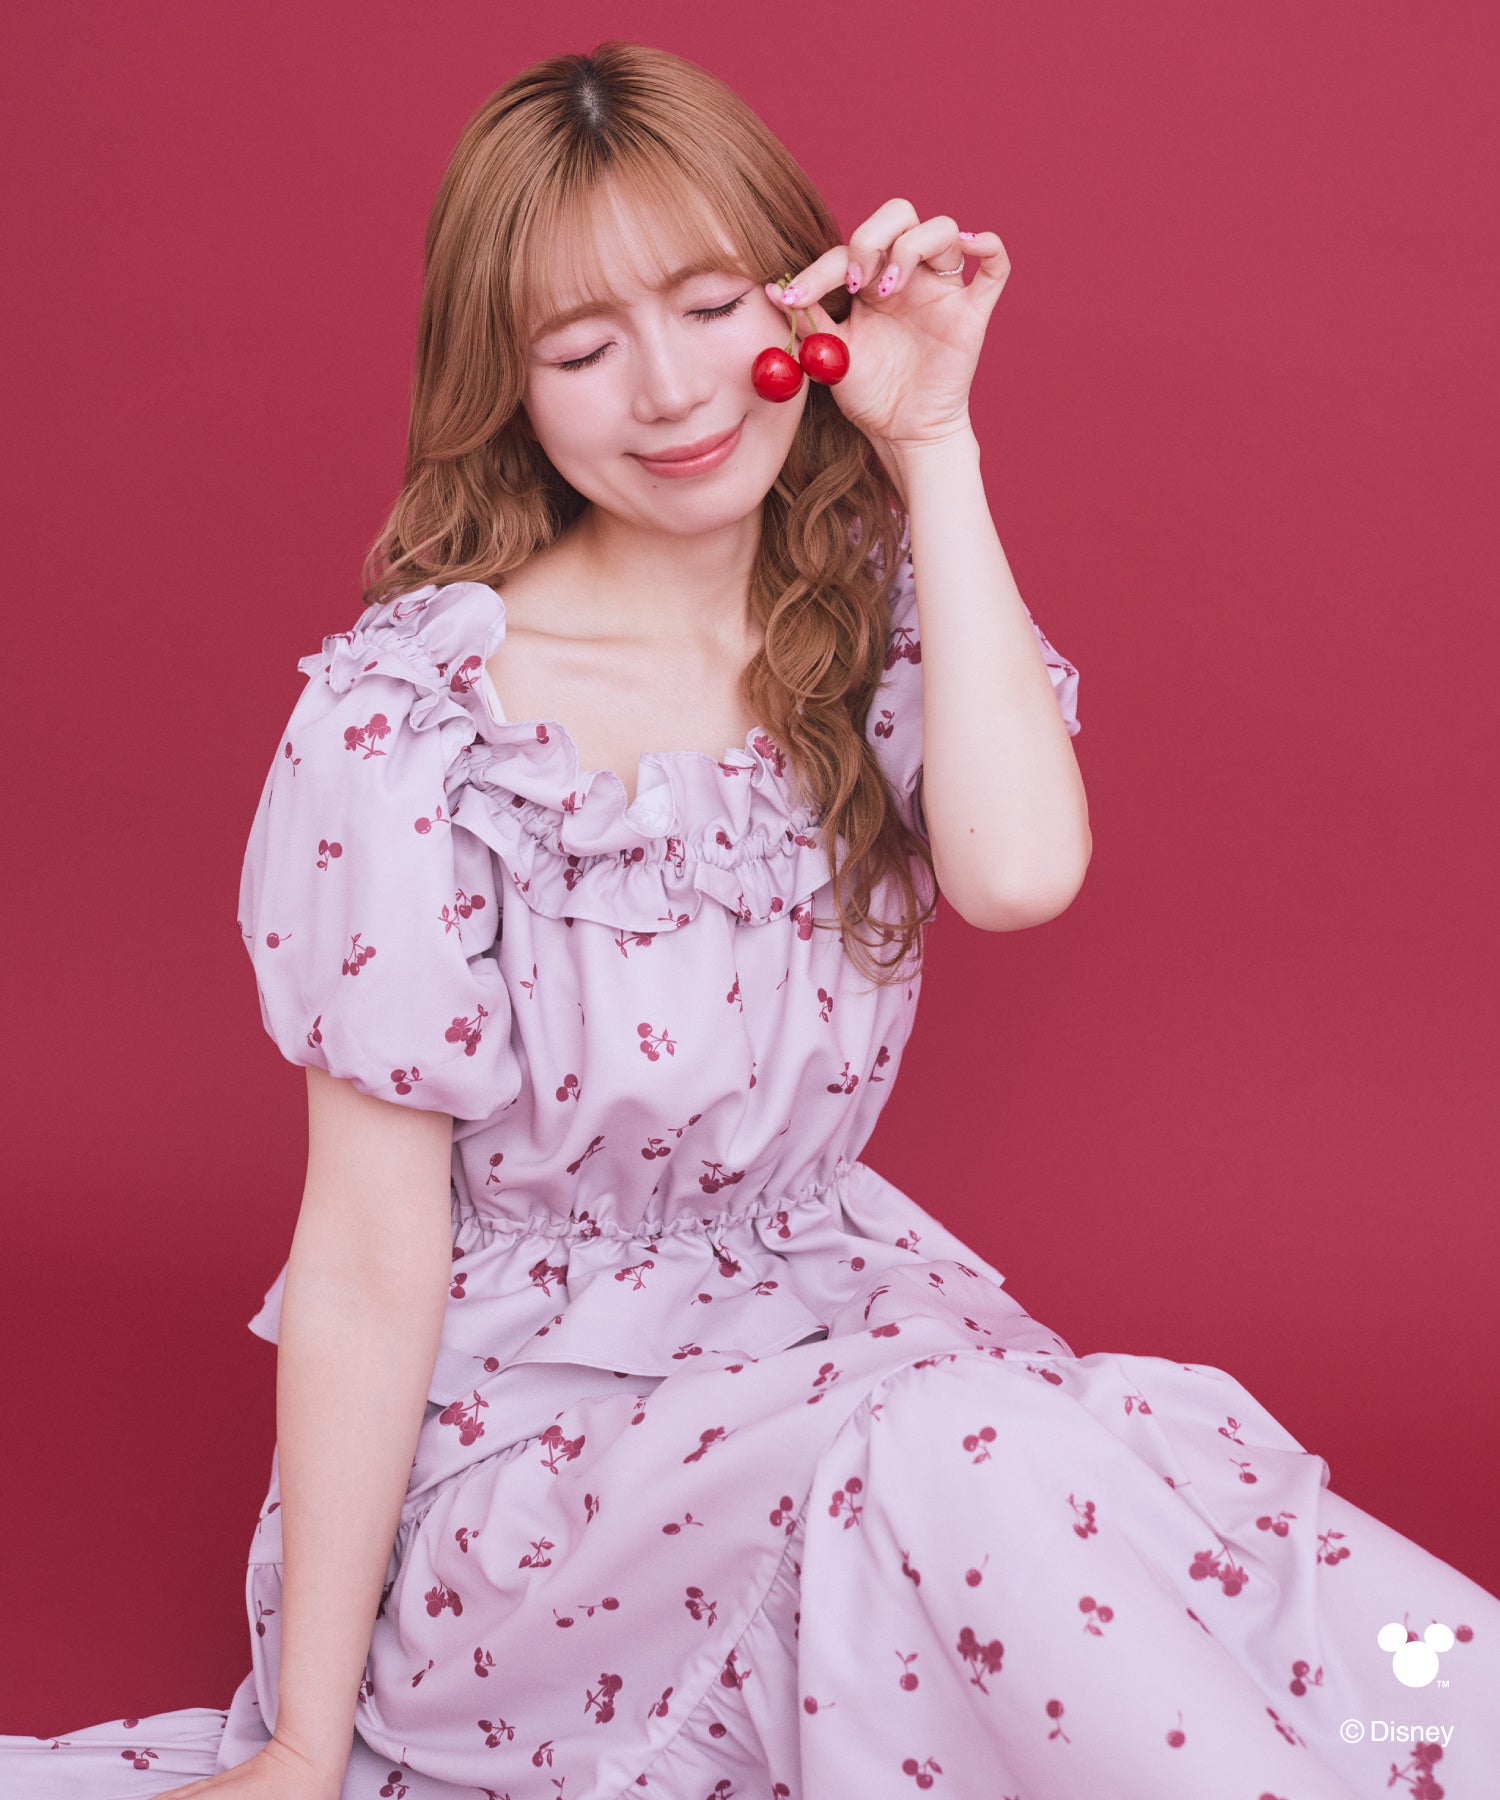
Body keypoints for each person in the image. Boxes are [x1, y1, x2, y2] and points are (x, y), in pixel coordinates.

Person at [4, 39, 1497, 1800]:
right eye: (582, 351)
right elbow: (364, 1255)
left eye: (714, 307)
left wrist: (929, 440)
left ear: (805, 295)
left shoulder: (868, 624)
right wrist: (304, 1745)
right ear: (506, 389)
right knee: (970, 1450)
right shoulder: (416, 727)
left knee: (1151, 1497)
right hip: (545, 1492)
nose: (669, 392)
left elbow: (1020, 875)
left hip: (848, 1349)